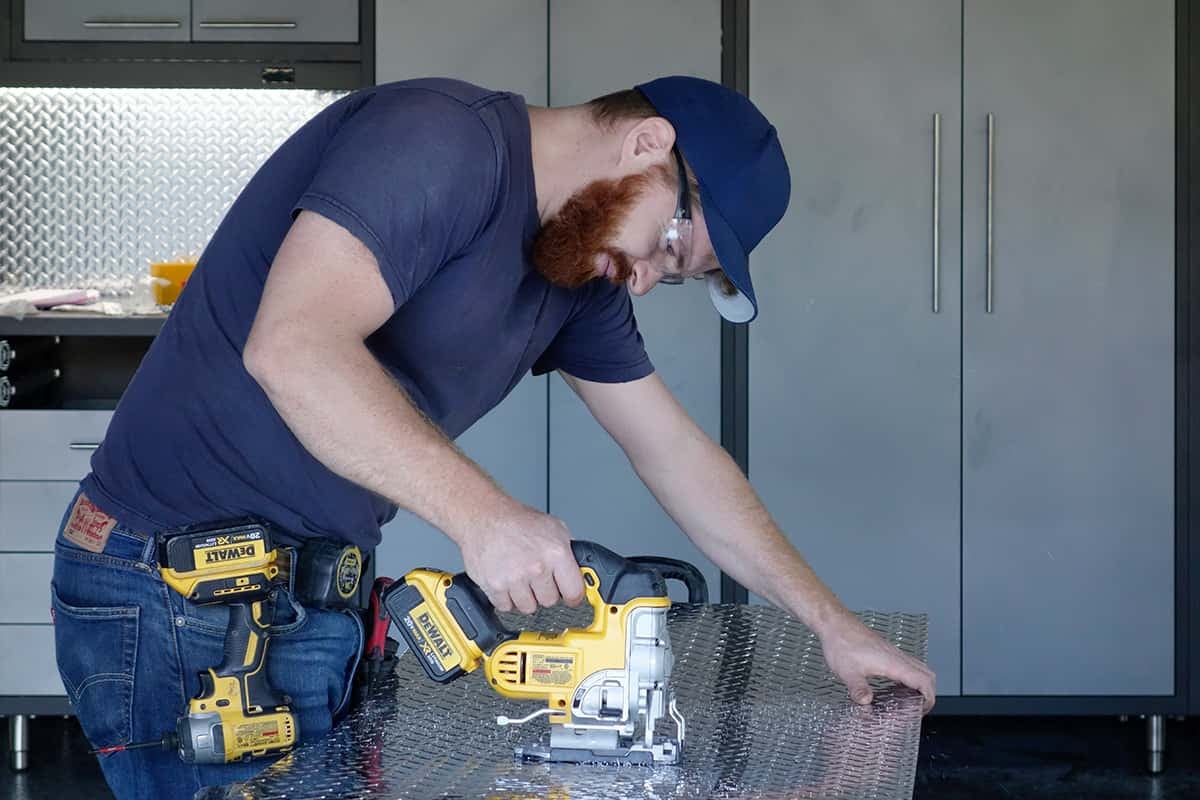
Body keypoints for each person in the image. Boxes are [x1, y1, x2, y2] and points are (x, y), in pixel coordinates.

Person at [50, 75, 936, 800]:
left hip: (310, 595)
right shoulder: (438, 141)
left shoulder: (575, 276)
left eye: (673, 275)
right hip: (171, 582)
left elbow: (674, 453)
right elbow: (292, 348)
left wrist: (831, 624)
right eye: (670, 248)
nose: (643, 280)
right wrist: (486, 518)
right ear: (647, 144)